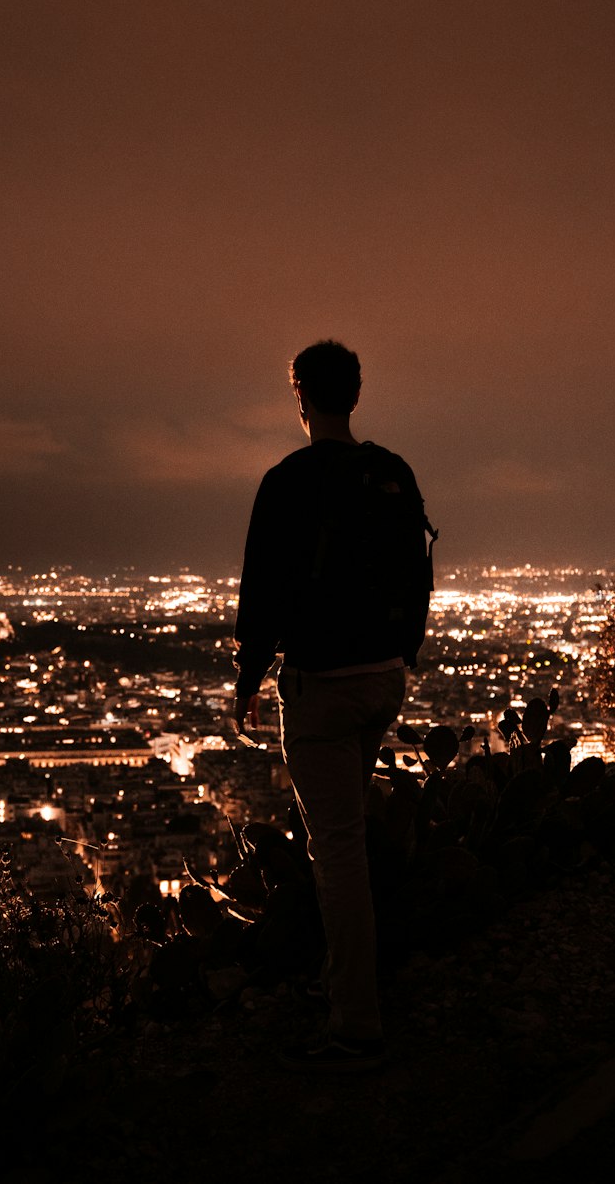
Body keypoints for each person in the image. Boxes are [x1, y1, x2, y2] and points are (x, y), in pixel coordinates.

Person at [233, 339, 435, 1073]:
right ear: (353, 393)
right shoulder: (391, 473)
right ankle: (359, 977)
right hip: (383, 677)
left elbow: (262, 595)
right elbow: (421, 573)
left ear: (301, 399)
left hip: (321, 686)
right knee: (352, 825)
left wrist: (247, 680)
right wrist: (403, 654)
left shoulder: (289, 481)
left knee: (337, 852)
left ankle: (356, 1017)